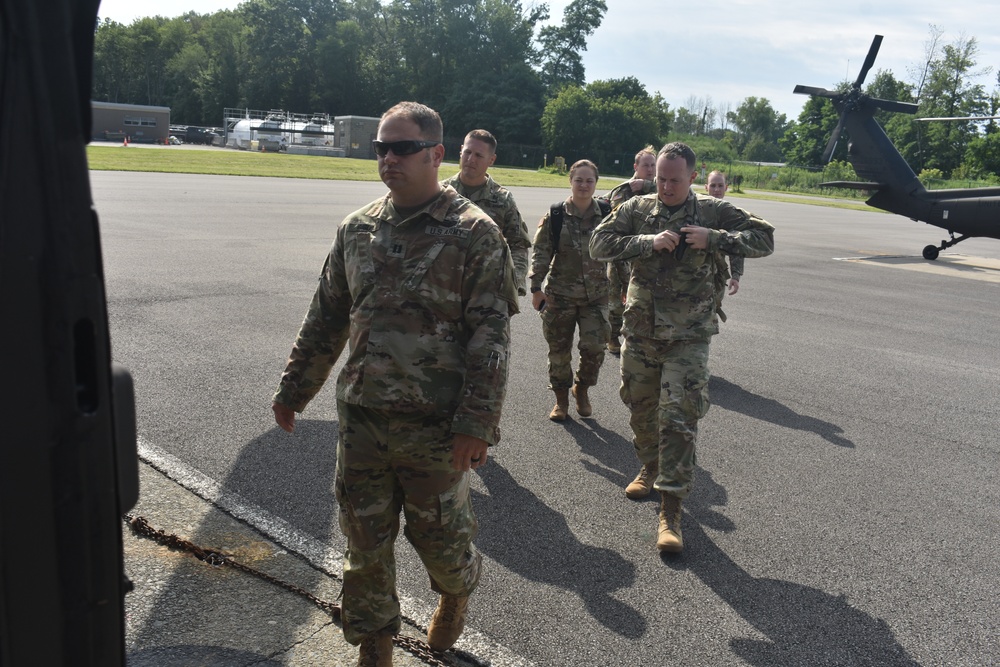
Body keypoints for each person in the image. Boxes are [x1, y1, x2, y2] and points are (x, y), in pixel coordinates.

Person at [271, 101, 518, 666]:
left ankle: (457, 590)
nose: (388, 158)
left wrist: (477, 423)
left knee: (442, 545)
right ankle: (375, 644)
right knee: (365, 545)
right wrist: (293, 389)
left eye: (401, 148)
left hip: (435, 428)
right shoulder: (357, 228)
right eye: (381, 147)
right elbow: (327, 316)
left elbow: (491, 338)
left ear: (435, 153)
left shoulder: (475, 234)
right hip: (361, 418)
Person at [590, 142, 774, 553]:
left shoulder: (712, 211)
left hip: (688, 337)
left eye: (675, 179)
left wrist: (716, 238)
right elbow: (598, 245)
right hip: (640, 331)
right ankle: (649, 466)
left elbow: (764, 238)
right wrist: (645, 243)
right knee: (640, 408)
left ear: (692, 177)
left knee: (678, 417)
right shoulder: (638, 210)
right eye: (661, 178)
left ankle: (670, 510)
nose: (667, 186)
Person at [529, 159, 610, 421]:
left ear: (596, 183)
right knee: (559, 351)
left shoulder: (608, 214)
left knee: (595, 348)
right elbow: (541, 253)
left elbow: (619, 252)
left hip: (596, 297)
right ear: (570, 181)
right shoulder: (555, 215)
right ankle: (561, 400)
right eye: (579, 180)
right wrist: (535, 288)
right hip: (559, 296)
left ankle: (581, 389)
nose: (584, 185)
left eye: (589, 181)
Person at [442, 129, 532, 296]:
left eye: (478, 155)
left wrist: (514, 284)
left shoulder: (502, 199)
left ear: (491, 160)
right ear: (461, 150)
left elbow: (518, 245)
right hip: (441, 289)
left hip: (486, 293)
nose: (470, 159)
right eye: (467, 152)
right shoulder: (441, 193)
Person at [603, 146, 657, 354]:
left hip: (647, 254)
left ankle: (638, 337)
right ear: (636, 166)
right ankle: (612, 336)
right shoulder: (623, 190)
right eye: (646, 165)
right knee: (616, 297)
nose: (650, 169)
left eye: (653, 165)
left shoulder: (659, 188)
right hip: (622, 255)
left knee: (644, 298)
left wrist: (648, 185)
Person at [706, 170, 744, 299]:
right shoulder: (696, 208)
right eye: (713, 185)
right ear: (706, 187)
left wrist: (735, 275)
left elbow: (736, 245)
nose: (716, 189)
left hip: (717, 274)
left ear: (726, 188)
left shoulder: (730, 214)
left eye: (720, 185)